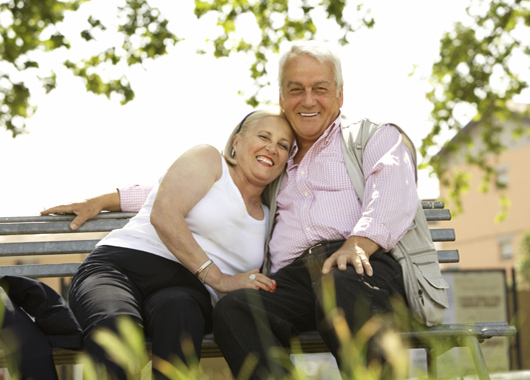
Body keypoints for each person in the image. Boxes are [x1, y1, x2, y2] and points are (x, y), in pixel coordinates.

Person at [43, 42, 441, 378]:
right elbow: (183, 189)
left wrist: (360, 242)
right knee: (236, 308)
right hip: (294, 280)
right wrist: (106, 199)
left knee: (343, 281)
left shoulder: (372, 137)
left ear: (339, 95)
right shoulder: (273, 166)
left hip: (359, 263)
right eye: (295, 89)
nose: (308, 100)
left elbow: (394, 187)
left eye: (320, 88)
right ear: (282, 97)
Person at [45, 109, 294, 380]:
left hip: (186, 292)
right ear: (236, 142)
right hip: (122, 265)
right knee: (117, 327)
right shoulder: (209, 160)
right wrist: (219, 279)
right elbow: (164, 213)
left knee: (181, 317)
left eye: (283, 145)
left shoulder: (271, 218)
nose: (272, 148)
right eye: (264, 136)